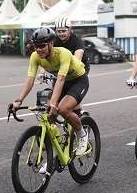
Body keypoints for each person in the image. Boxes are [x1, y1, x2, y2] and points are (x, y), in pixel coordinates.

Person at [11, 26, 91, 156]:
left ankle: (82, 134)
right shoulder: (35, 56)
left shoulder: (63, 53)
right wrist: (18, 100)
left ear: (51, 44)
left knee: (63, 109)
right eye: (35, 46)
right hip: (61, 82)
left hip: (78, 80)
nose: (38, 49)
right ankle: (55, 154)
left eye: (42, 46)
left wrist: (53, 103)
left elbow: (60, 79)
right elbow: (30, 79)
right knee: (48, 117)